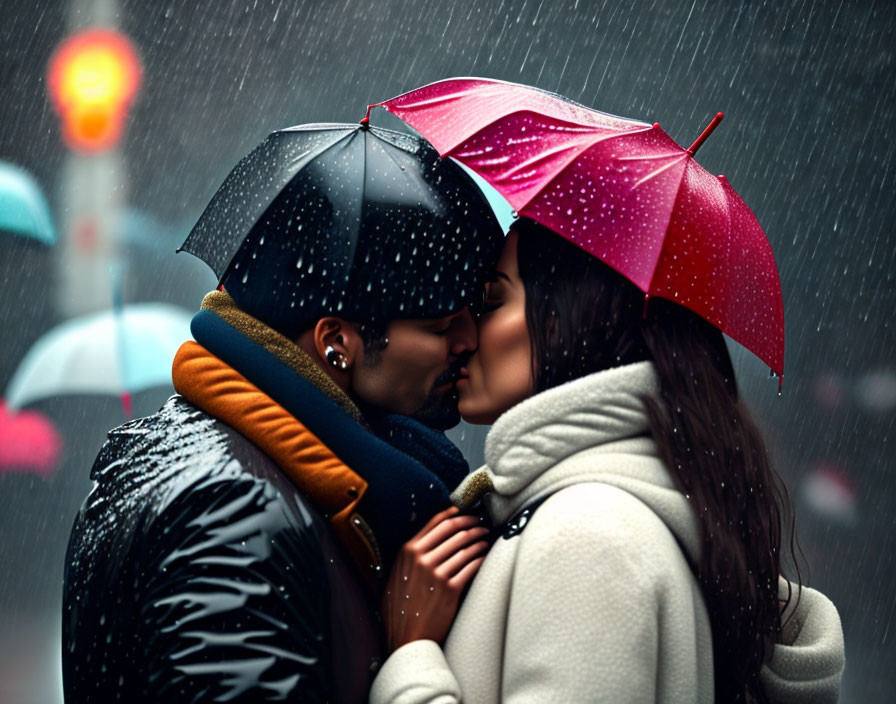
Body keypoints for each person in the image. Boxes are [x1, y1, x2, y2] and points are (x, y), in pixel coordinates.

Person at [61, 125, 503, 703]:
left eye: (475, 311)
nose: (471, 339)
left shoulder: (257, 472)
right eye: (441, 325)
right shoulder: (236, 513)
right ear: (336, 343)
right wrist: (408, 652)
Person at [370, 219, 846, 703]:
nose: (467, 335)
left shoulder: (591, 535)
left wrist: (412, 656)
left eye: (493, 301)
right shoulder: (606, 516)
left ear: (566, 321)